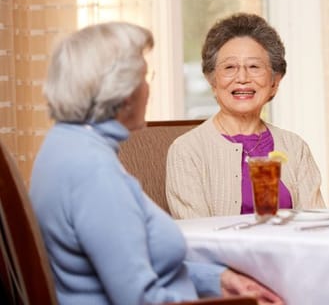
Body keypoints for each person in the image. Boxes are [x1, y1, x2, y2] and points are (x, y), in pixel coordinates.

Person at [29, 22, 283, 305]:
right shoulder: (92, 172)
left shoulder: (64, 146)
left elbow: (136, 270)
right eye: (144, 77)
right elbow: (141, 300)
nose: (148, 89)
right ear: (123, 92)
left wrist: (216, 279)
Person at [166, 13, 325, 218]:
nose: (242, 78)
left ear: (274, 82)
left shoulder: (295, 147)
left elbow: (318, 227)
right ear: (213, 81)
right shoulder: (187, 151)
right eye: (230, 67)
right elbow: (197, 240)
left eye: (254, 67)